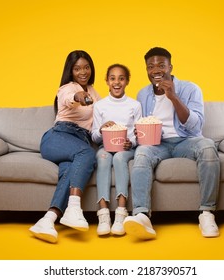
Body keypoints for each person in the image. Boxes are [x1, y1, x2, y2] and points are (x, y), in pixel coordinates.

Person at [123, 47, 221, 239]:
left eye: (161, 65)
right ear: (146, 70)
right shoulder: (142, 94)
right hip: (157, 144)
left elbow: (195, 126)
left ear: (170, 67)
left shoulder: (190, 88)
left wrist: (173, 97)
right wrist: (138, 133)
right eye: (150, 66)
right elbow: (140, 124)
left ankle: (207, 213)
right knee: (141, 153)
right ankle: (142, 215)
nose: (155, 70)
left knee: (208, 147)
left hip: (186, 141)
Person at [29, 50, 101, 243]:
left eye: (86, 67)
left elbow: (101, 116)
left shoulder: (95, 92)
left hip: (78, 142)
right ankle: (74, 208)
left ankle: (47, 219)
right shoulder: (67, 88)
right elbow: (71, 97)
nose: (83, 72)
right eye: (77, 68)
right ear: (71, 71)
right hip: (57, 137)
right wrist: (80, 97)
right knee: (86, 153)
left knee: (70, 171)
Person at [91, 64, 142, 236]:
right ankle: (104, 215)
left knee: (120, 158)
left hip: (125, 149)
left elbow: (139, 133)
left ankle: (121, 213)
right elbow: (94, 137)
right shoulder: (100, 106)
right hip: (105, 146)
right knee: (104, 157)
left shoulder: (134, 105)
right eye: (112, 78)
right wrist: (100, 129)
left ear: (127, 81)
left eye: (121, 78)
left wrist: (132, 142)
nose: (117, 82)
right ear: (107, 81)